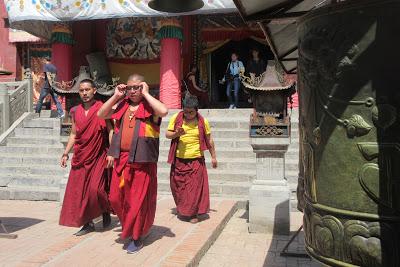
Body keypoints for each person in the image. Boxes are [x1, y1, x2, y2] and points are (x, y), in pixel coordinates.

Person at [97, 74, 168, 254]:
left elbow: (164, 111)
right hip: (122, 161)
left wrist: (147, 94)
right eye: (130, 87)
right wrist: (116, 95)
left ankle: (137, 237)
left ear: (143, 87)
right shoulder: (122, 105)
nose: (133, 90)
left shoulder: (149, 107)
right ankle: (129, 226)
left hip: (142, 162)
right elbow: (101, 114)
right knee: (115, 198)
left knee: (137, 202)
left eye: (137, 87)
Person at [59, 79, 113, 236]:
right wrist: (65, 153)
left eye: (87, 89)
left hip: (98, 156)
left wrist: (112, 152)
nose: (84, 93)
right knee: (81, 192)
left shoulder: (102, 108)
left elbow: (110, 130)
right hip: (81, 156)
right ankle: (87, 223)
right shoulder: (75, 110)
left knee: (96, 190)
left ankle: (104, 210)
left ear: (94, 90)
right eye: (81, 90)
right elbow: (74, 134)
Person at [166, 96, 217, 223]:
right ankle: (183, 208)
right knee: (177, 186)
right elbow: (168, 135)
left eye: (191, 112)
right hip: (179, 159)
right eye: (186, 111)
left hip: (196, 159)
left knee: (194, 188)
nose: (188, 115)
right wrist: (177, 134)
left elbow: (209, 139)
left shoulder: (203, 122)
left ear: (197, 110)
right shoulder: (176, 119)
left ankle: (193, 213)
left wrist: (213, 157)